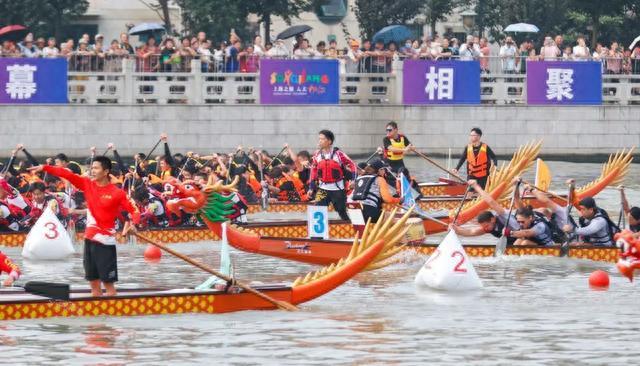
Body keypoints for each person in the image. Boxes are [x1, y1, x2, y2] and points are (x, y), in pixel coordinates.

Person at [29, 156, 139, 297]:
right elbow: (67, 174)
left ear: (106, 171)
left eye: (96, 168)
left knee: (108, 286)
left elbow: (134, 210)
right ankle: (98, 316)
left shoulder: (117, 193)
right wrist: (45, 167)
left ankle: (111, 314)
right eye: (91, 168)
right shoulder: (87, 184)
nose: (92, 171)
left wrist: (134, 224)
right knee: (94, 286)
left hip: (105, 244)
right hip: (88, 242)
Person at [450, 179, 519, 245]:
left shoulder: (503, 215)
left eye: (486, 226)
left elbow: (491, 202)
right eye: (484, 227)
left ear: (492, 219)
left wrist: (476, 186)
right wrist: (455, 229)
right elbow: (471, 232)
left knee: (520, 242)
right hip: (512, 243)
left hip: (524, 237)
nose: (485, 228)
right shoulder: (488, 227)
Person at [308, 130, 356, 221]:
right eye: (319, 139)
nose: (319, 141)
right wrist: (311, 187)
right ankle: (318, 235)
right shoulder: (317, 155)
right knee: (318, 211)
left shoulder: (339, 154)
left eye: (322, 139)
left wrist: (353, 179)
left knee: (342, 212)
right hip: (322, 189)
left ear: (329, 141)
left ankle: (349, 229)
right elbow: (313, 171)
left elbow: (353, 165)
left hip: (337, 190)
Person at [351, 159, 400, 223]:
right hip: (369, 211)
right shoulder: (380, 179)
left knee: (380, 213)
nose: (385, 171)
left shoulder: (358, 178)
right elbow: (388, 199)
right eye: (383, 169)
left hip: (354, 212)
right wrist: (399, 200)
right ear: (379, 170)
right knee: (390, 217)